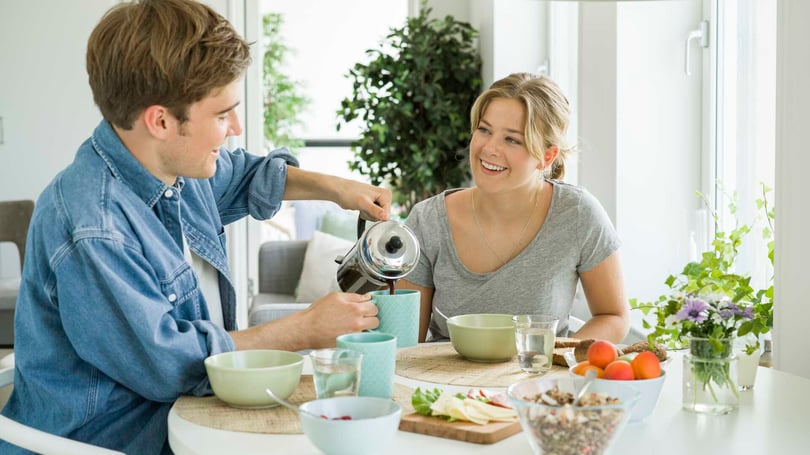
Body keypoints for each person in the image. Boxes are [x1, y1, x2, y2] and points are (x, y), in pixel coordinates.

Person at [0, 1, 388, 453]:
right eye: (223, 114)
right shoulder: (93, 227)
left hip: (189, 415)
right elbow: (172, 364)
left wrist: (336, 188)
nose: (236, 128)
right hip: (115, 440)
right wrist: (304, 327)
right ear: (161, 120)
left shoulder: (173, 166)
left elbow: (246, 175)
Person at [398, 73, 630, 344]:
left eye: (512, 140)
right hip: (444, 384)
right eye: (484, 130)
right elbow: (404, 343)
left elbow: (613, 316)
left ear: (547, 156)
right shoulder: (427, 221)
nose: (489, 148)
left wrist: (554, 355)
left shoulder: (578, 214)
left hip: (537, 384)